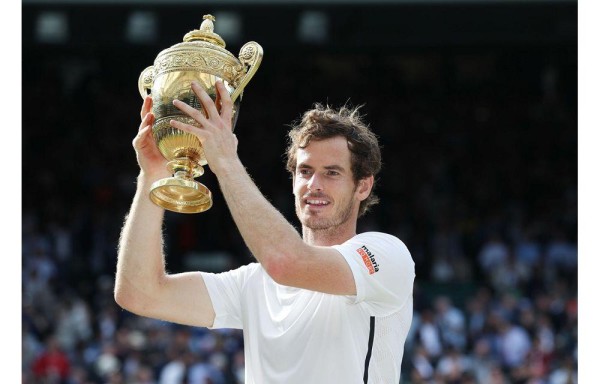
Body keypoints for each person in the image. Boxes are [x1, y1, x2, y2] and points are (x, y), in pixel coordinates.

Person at [115, 80, 415, 383]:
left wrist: (226, 162)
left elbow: (288, 263)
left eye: (332, 173)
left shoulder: (386, 255)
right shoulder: (254, 282)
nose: (314, 185)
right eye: (305, 171)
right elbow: (139, 294)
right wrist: (151, 176)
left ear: (363, 185)